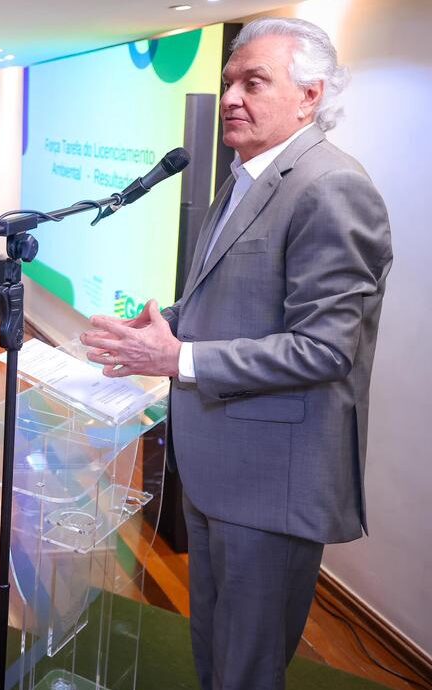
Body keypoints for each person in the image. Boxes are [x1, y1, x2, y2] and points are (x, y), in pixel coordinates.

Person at [78, 19, 392, 690]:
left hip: (272, 480)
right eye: (228, 82)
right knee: (214, 650)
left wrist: (178, 360)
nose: (230, 98)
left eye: (254, 82)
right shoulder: (245, 176)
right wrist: (164, 327)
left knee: (247, 667)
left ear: (310, 95)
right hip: (218, 465)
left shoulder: (331, 187)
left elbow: (324, 348)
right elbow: (235, 301)